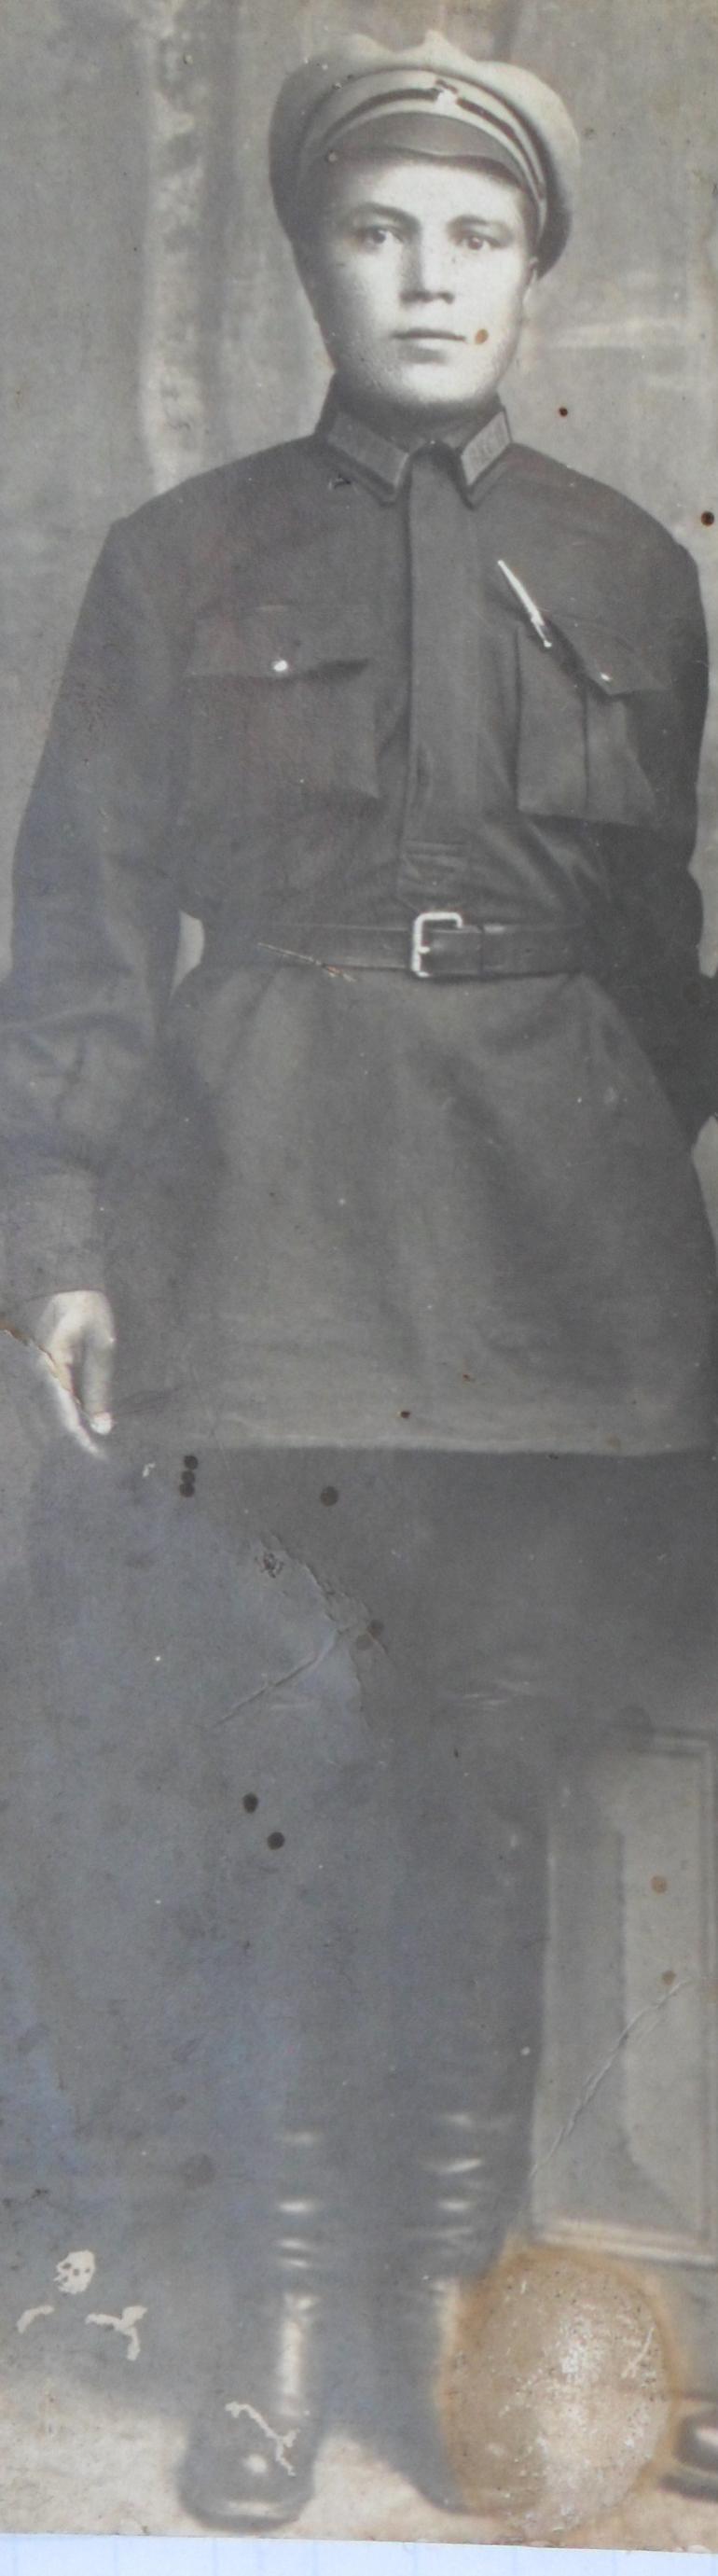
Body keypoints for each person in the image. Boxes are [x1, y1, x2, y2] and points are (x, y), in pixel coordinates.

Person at [1, 27, 717, 2530]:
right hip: (270, 1226)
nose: (429, 275)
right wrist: (64, 1241)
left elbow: (660, 969)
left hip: (554, 1270)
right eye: (381, 230)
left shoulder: (635, 571)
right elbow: (84, 931)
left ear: (533, 274)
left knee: (486, 1794)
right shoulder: (175, 557)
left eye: (475, 235)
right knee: (281, 1787)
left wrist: (652, 1243)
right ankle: (285, 2322)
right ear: (314, 258)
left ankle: (439, 2307)